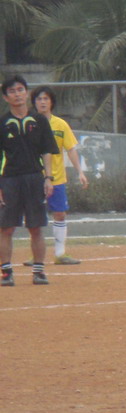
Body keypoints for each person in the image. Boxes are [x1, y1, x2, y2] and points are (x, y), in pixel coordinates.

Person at [0, 76, 59, 287]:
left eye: (20, 89)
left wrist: (48, 178)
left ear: (26, 93)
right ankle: (6, 272)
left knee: (36, 227)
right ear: (5, 97)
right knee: (6, 228)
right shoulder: (2, 123)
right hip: (9, 179)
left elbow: (47, 151)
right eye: (12, 91)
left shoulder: (39, 120)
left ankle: (39, 271)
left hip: (35, 178)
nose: (17, 94)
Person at [26, 87, 89, 265]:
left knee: (60, 214)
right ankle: (36, 255)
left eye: (46, 98)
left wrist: (80, 172)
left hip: (57, 178)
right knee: (34, 217)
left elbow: (70, 149)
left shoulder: (60, 124)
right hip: (34, 177)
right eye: (39, 99)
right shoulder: (28, 123)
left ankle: (60, 254)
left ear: (51, 102)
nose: (42, 102)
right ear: (34, 102)